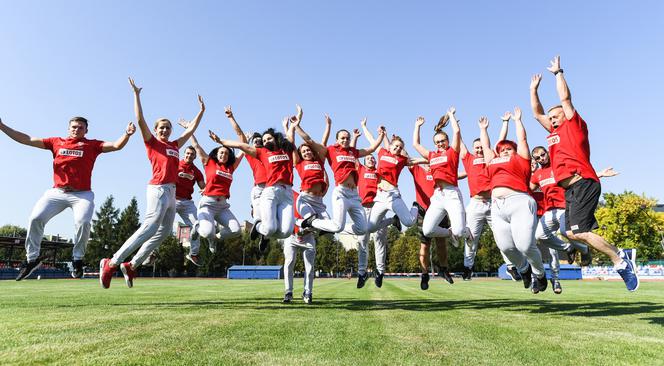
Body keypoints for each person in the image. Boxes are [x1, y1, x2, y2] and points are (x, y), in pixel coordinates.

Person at [530, 56, 638, 291]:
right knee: (570, 232)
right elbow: (537, 114)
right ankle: (622, 254)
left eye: (555, 116)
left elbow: (565, 99)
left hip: (583, 184)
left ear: (565, 115)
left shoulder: (573, 125)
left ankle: (620, 260)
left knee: (582, 232)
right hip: (571, 189)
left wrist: (558, 73)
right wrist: (533, 90)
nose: (552, 119)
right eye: (551, 118)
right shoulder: (553, 135)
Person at [0, 114, 136, 280]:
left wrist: (127, 135)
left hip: (82, 194)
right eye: (74, 127)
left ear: (86, 130)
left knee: (83, 222)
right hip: (57, 192)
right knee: (35, 218)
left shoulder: (91, 145)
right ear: (68, 128)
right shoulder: (55, 142)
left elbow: (116, 145)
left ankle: (77, 259)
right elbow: (27, 139)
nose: (76, 129)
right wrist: (2, 126)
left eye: (80, 127)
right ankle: (31, 259)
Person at [99, 78, 205, 289]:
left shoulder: (175, 145)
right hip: (157, 189)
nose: (164, 130)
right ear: (156, 130)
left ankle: (132, 265)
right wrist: (136, 95)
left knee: (163, 232)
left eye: (167, 128)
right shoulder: (153, 143)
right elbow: (140, 121)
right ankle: (111, 263)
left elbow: (191, 130)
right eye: (161, 128)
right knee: (149, 227)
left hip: (172, 193)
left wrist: (201, 111)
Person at [479, 108, 548, 293]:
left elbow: (523, 140)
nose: (505, 151)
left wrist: (517, 121)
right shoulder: (492, 161)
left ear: (515, 151)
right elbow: (486, 147)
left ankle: (540, 275)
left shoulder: (520, 160)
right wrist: (483, 129)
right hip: (497, 206)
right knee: (506, 247)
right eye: (502, 150)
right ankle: (524, 270)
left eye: (509, 149)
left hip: (519, 201)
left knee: (524, 245)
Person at [214, 107, 298, 249]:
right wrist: (221, 140)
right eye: (262, 140)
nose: (264, 142)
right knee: (270, 227)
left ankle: (264, 233)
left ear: (275, 138)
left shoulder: (285, 150)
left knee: (286, 232)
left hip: (286, 191)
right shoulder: (260, 153)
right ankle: (259, 226)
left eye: (267, 139)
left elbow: (290, 137)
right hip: (265, 190)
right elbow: (240, 142)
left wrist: (291, 126)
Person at [293, 114, 385, 236]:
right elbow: (309, 140)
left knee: (362, 229)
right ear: (337, 140)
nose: (345, 140)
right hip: (341, 192)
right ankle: (311, 223)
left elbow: (371, 149)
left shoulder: (353, 152)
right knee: (337, 226)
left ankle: (323, 225)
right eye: (342, 138)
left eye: (347, 138)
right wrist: (297, 126)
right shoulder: (330, 150)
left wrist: (382, 135)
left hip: (354, 195)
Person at [459, 113, 510, 280]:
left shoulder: (491, 157)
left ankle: (510, 265)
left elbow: (501, 141)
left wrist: (504, 122)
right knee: (471, 239)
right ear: (474, 149)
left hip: (493, 203)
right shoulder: (468, 158)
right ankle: (468, 267)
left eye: (481, 147)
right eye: (477, 147)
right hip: (475, 203)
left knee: (501, 235)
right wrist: (454, 124)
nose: (479, 149)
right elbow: (459, 143)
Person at [413, 108, 472, 246]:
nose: (440, 144)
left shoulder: (452, 152)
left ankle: (466, 232)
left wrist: (451, 116)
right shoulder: (432, 155)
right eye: (437, 142)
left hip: (452, 193)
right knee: (427, 230)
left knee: (459, 231)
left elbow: (457, 132)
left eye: (443, 141)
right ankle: (450, 233)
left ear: (447, 140)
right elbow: (415, 144)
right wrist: (417, 126)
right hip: (438, 196)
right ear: (435, 144)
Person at [190, 129, 244, 258]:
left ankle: (214, 239)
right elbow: (196, 146)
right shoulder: (209, 162)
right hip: (208, 204)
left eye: (226, 153)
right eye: (221, 152)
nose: (223, 155)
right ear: (216, 153)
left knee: (236, 230)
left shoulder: (231, 167)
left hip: (223, 206)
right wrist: (190, 129)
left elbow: (243, 149)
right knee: (207, 232)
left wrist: (244, 138)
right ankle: (197, 228)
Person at [409, 163, 454, 289]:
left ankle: (444, 269)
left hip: (440, 212)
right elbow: (404, 156)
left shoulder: (440, 171)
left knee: (441, 243)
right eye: (425, 161)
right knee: (425, 245)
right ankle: (424, 274)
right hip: (423, 212)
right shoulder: (417, 169)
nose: (428, 163)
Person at [223, 106, 267, 223]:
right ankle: (257, 218)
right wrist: (231, 117)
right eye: (255, 141)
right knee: (260, 218)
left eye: (260, 141)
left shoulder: (269, 153)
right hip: (260, 187)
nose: (257, 143)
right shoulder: (251, 154)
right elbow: (240, 135)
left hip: (273, 187)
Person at [172, 130, 206, 266]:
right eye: (187, 153)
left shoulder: (196, 171)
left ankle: (193, 253)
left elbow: (203, 186)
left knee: (198, 225)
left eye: (192, 154)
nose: (189, 156)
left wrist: (205, 189)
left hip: (187, 202)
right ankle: (151, 252)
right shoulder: (176, 164)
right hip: (172, 199)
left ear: (194, 157)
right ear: (184, 154)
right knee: (161, 223)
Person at [283, 191, 316, 304]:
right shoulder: (288, 196)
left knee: (309, 266)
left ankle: (307, 292)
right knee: (289, 262)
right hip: (291, 236)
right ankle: (288, 292)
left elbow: (317, 224)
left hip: (308, 237)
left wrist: (305, 230)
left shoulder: (313, 202)